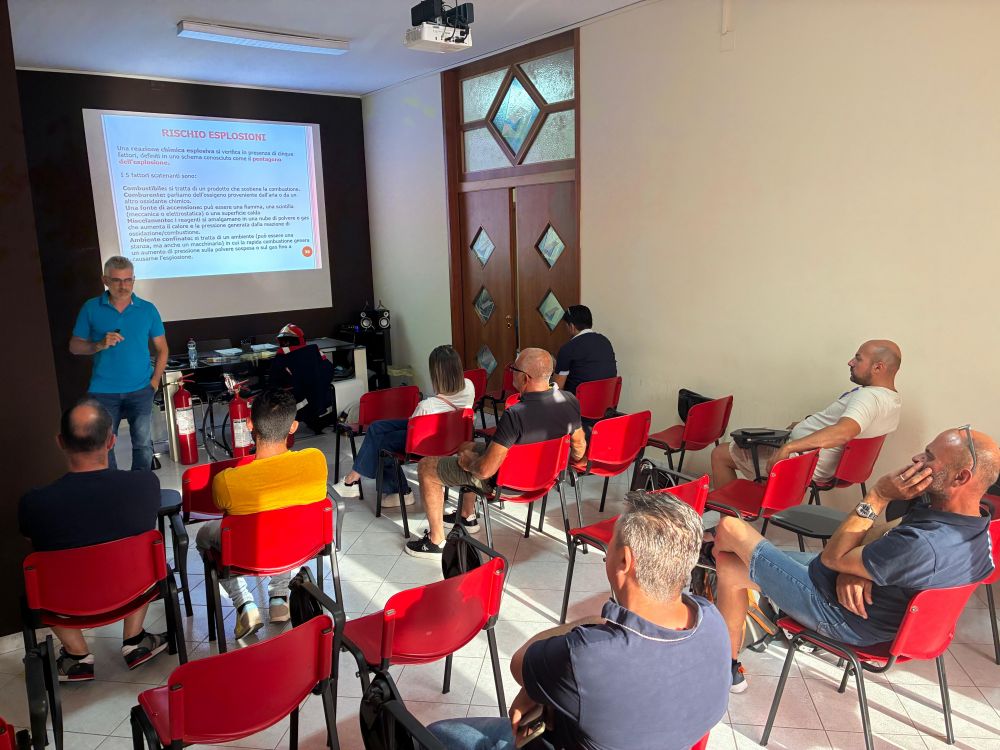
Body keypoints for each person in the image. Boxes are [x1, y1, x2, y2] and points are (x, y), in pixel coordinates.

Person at [427, 490, 731, 749]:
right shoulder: (713, 622)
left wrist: (588, 621)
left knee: (437, 734)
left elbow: (520, 663)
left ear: (624, 560)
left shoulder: (587, 655)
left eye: (611, 543)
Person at [713, 427, 999, 693]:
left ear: (960, 478)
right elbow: (884, 533)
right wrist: (858, 569)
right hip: (873, 611)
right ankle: (727, 669)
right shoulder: (976, 526)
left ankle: (703, 557)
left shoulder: (922, 545)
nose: (917, 459)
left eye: (929, 456)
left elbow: (832, 557)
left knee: (730, 528)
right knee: (730, 566)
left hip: (841, 616)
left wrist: (878, 495)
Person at [18, 398, 169, 681]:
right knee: (145, 555)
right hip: (133, 590)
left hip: (64, 603)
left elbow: (31, 541)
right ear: (111, 441)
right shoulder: (145, 485)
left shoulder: (34, 503)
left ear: (60, 442)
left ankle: (76, 655)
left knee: (35, 576)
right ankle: (135, 639)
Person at [406, 348, 587, 558]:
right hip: (546, 477)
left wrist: (468, 463)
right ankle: (466, 515)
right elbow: (579, 448)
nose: (511, 373)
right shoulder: (569, 401)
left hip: (509, 484)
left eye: (513, 369)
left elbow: (485, 471)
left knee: (427, 466)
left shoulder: (515, 414)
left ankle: (435, 540)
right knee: (466, 446)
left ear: (525, 378)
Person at [195, 389, 328, 641]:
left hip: (249, 552)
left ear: (249, 424)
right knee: (283, 521)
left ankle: (245, 605)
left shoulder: (227, 481)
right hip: (299, 545)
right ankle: (279, 599)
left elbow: (221, 508)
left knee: (204, 535)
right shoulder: (316, 460)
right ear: (293, 427)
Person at [711, 340, 903, 486]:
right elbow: (849, 427)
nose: (850, 362)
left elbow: (843, 432)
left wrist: (789, 447)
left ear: (878, 367)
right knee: (762, 440)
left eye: (858, 358)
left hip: (804, 463)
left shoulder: (868, 397)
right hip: (822, 462)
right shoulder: (891, 400)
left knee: (720, 453)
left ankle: (728, 521)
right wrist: (806, 424)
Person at [330, 344, 476, 507]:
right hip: (452, 436)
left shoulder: (427, 406)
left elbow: (414, 429)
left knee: (382, 442)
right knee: (376, 428)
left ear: (436, 374)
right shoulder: (469, 386)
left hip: (428, 442)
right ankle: (353, 479)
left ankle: (398, 491)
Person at [69, 256, 168, 471]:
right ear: (105, 280)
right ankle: (113, 486)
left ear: (133, 280)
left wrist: (154, 382)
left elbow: (162, 349)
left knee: (143, 445)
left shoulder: (147, 309)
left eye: (128, 280)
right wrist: (98, 345)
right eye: (116, 280)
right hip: (103, 391)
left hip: (141, 389)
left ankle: (139, 485)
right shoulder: (91, 308)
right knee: (105, 446)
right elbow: (74, 346)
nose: (123, 286)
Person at [268, 323, 335, 434]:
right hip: (319, 402)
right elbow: (329, 370)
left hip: (296, 402)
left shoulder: (281, 357)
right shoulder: (314, 350)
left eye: (286, 341)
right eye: (283, 341)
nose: (284, 344)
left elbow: (273, 383)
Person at [553, 305, 617, 394]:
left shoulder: (568, 348)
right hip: (606, 399)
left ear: (571, 326)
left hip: (577, 401)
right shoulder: (605, 342)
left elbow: (557, 388)